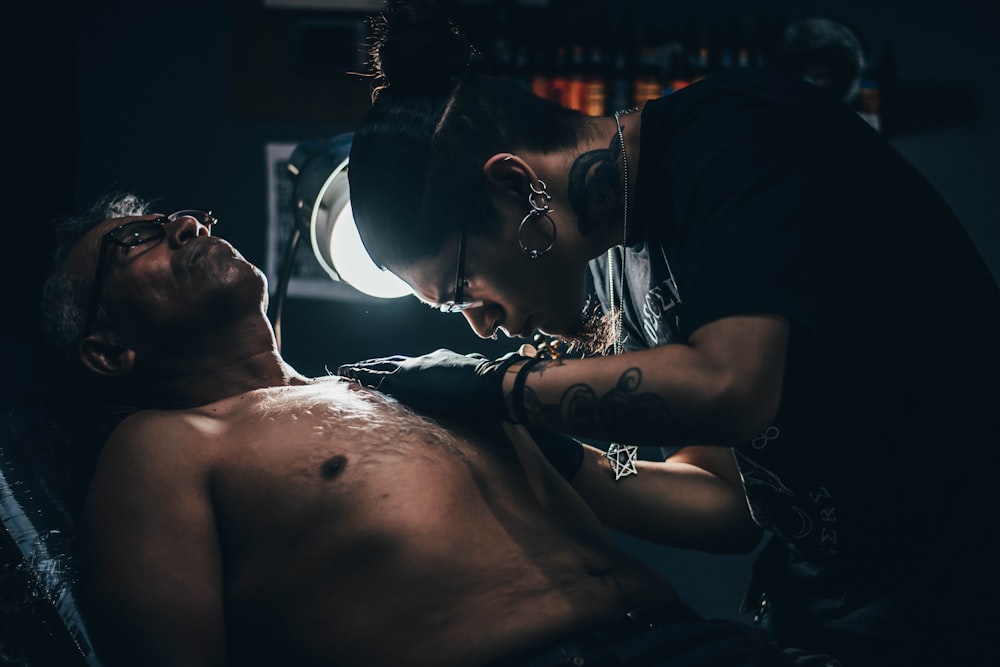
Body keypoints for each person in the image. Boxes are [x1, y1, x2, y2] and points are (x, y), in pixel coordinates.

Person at [337, 1, 1000, 665]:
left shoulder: (732, 137)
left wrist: (499, 386)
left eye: (463, 292)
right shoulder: (618, 267)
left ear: (515, 185)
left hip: (962, 597)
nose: (483, 327)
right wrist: (559, 458)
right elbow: (727, 500)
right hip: (824, 613)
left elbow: (732, 385)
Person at [36, 191, 811, 667]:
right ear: (108, 349)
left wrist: (528, 398)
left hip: (701, 647)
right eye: (132, 239)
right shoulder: (165, 445)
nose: (183, 222)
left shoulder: (434, 388)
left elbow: (720, 509)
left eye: (181, 215)